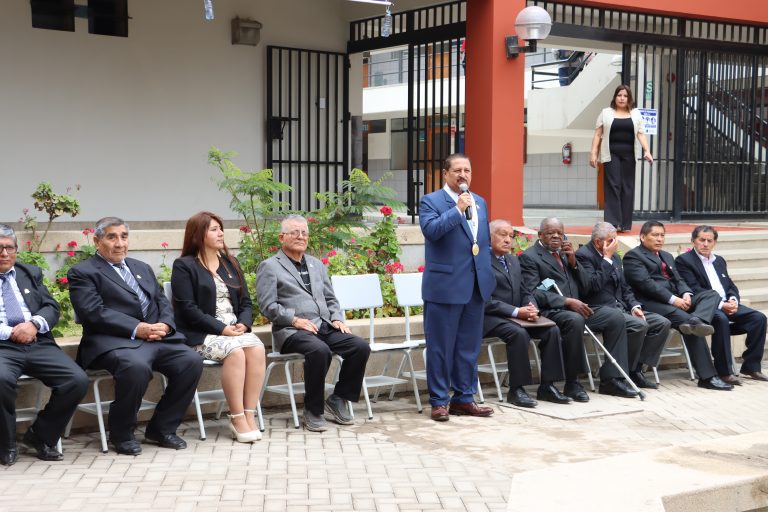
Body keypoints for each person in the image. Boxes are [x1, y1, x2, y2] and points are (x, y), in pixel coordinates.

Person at [68, 217, 203, 455]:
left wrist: (165, 326)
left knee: (190, 361)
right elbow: (93, 313)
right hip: (112, 342)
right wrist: (137, 328)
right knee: (136, 367)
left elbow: (162, 302)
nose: (119, 243)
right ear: (97, 241)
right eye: (112, 237)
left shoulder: (141, 267)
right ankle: (122, 433)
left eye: (124, 236)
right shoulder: (83, 272)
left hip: (156, 339)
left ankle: (162, 429)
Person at [256, 215, 370, 432]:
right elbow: (267, 306)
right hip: (291, 331)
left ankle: (338, 398)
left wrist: (336, 318)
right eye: (295, 232)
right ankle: (313, 409)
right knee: (319, 351)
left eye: (304, 232)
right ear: (282, 237)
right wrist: (295, 320)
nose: (301, 236)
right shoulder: (269, 266)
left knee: (359, 347)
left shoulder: (316, 265)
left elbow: (330, 298)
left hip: (323, 326)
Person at [171, 212, 266, 443]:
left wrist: (243, 323)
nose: (220, 233)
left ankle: (249, 413)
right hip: (202, 334)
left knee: (257, 349)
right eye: (213, 229)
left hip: (234, 330)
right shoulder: (184, 266)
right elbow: (187, 309)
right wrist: (222, 329)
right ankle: (236, 417)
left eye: (220, 228)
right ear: (198, 234)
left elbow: (245, 301)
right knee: (235, 352)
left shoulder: (230, 263)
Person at [520, 217, 637, 400]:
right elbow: (533, 291)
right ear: (540, 235)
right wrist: (566, 301)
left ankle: (611, 380)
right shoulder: (530, 257)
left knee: (614, 317)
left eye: (560, 233)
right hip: (553, 311)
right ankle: (573, 382)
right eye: (551, 233)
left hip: (578, 308)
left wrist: (574, 262)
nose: (556, 237)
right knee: (575, 320)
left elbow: (586, 286)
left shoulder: (568, 255)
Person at [0, 224, 88, 466]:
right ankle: (5, 445)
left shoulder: (29, 272)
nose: (4, 253)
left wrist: (34, 325)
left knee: (76, 380)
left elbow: (51, 306)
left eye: (9, 248)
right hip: (3, 347)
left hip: (37, 342)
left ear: (16, 250)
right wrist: (12, 332)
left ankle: (40, 436)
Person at [419, 153, 496, 422]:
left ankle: (464, 398)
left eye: (468, 170)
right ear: (446, 174)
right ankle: (440, 401)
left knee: (468, 347)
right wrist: (457, 210)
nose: (463, 175)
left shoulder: (481, 202)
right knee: (440, 347)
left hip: (475, 285)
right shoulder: (431, 201)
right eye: (458, 171)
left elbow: (481, 243)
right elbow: (432, 231)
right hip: (444, 286)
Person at [623, 220, 732, 391]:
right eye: (655, 235)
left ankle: (698, 319)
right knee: (689, 324)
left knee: (712, 295)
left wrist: (686, 294)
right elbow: (647, 284)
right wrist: (674, 299)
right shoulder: (633, 257)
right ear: (643, 237)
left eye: (662, 235)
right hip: (653, 304)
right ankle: (707, 377)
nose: (659, 239)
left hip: (677, 299)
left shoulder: (666, 255)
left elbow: (679, 280)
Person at [483, 219, 571, 407]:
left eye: (511, 236)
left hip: (516, 316)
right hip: (489, 317)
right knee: (518, 333)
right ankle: (516, 389)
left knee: (551, 330)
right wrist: (516, 312)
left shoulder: (513, 260)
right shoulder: (480, 261)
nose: (508, 240)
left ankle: (548, 386)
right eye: (502, 234)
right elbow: (485, 301)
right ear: (488, 236)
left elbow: (525, 291)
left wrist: (531, 307)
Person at [576, 222, 671, 389]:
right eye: (611, 240)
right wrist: (605, 259)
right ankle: (616, 375)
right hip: (597, 309)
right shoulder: (583, 256)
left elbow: (624, 287)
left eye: (615, 239)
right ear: (599, 242)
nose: (615, 244)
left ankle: (635, 370)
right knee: (638, 325)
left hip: (621, 308)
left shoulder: (615, 256)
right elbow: (592, 286)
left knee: (661, 323)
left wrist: (635, 306)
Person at [675, 225, 767, 384]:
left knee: (758, 318)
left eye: (709, 240)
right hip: (704, 308)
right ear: (693, 241)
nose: (705, 244)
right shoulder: (684, 261)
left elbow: (730, 285)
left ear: (714, 243)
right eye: (701, 240)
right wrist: (721, 305)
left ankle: (751, 367)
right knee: (721, 320)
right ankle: (724, 372)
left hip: (726, 304)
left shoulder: (719, 261)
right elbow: (693, 289)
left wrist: (733, 300)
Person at [589, 85, 654, 233]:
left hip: (629, 155)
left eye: (625, 96)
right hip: (611, 155)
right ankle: (612, 223)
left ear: (629, 98)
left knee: (627, 187)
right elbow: (598, 134)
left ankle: (624, 224)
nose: (622, 98)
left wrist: (647, 151)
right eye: (619, 95)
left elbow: (641, 133)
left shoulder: (636, 114)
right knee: (613, 186)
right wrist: (593, 153)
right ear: (615, 97)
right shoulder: (606, 113)